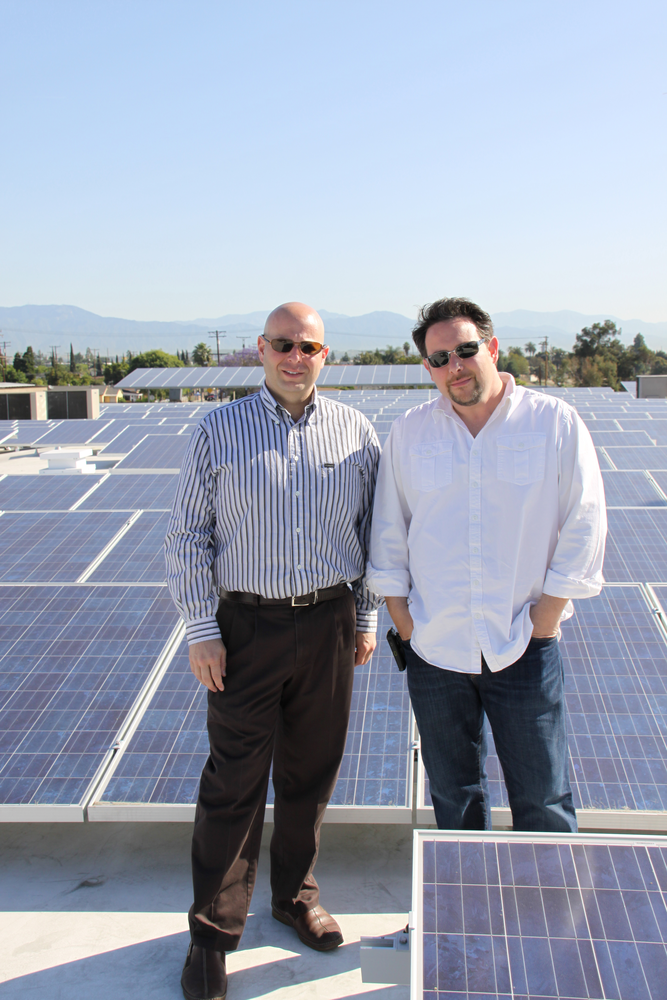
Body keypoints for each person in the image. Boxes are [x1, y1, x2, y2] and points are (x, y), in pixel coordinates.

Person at [165, 302, 380, 1000]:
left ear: (326, 355)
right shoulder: (216, 430)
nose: (295, 356)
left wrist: (367, 618)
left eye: (308, 346)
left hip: (328, 623)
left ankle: (294, 897)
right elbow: (187, 536)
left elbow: (377, 536)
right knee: (232, 783)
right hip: (244, 629)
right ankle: (211, 937)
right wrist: (201, 629)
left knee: (310, 774)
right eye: (282, 344)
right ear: (260, 350)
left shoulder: (356, 433)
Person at [367, 297, 606, 834]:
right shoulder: (411, 432)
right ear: (427, 367)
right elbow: (389, 530)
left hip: (521, 642)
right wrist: (405, 622)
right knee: (453, 797)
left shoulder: (553, 422)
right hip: (435, 648)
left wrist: (545, 620)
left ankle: (546, 916)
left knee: (542, 797)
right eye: (439, 358)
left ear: (492, 348)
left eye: (465, 350)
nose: (454, 366)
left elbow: (584, 522)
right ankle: (464, 913)